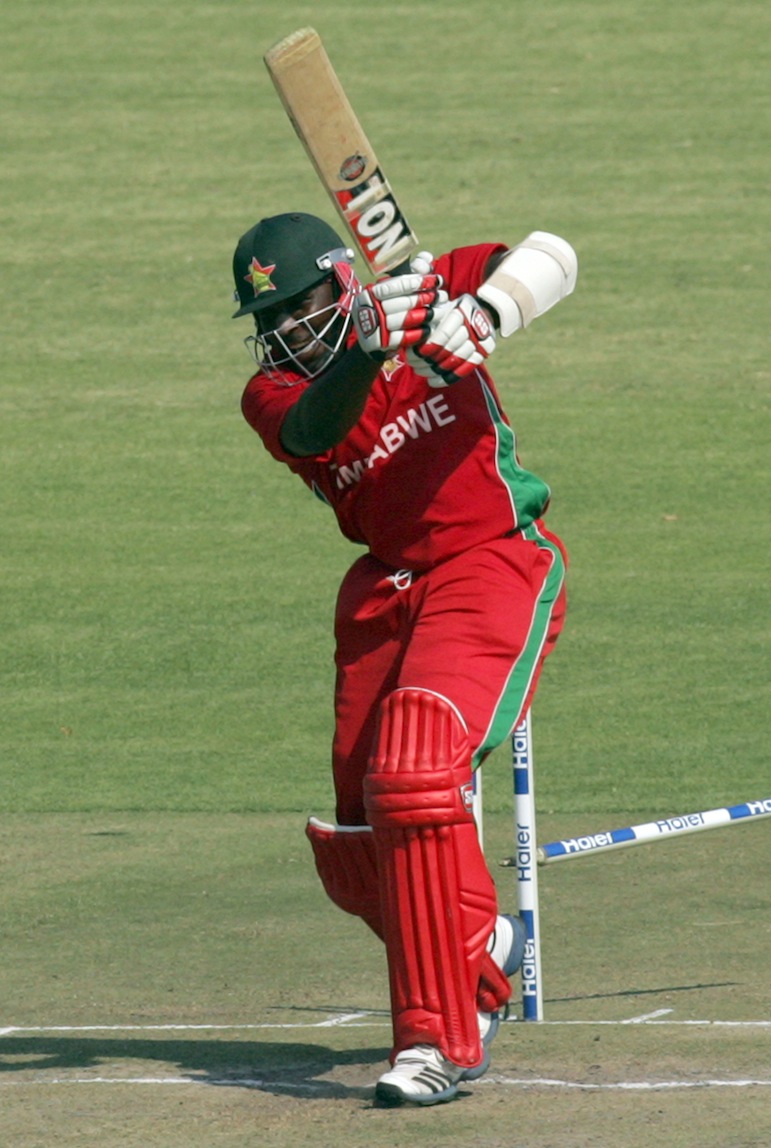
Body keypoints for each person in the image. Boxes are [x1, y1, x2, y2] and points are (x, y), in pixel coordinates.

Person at [232, 212, 577, 1106]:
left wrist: (487, 314)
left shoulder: (422, 283)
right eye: (270, 322)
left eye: (300, 309)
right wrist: (379, 343)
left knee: (418, 767)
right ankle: (480, 950)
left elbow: (555, 256)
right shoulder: (274, 394)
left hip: (489, 557)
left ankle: (437, 1041)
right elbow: (315, 427)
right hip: (386, 590)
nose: (284, 336)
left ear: (344, 281)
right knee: (357, 849)